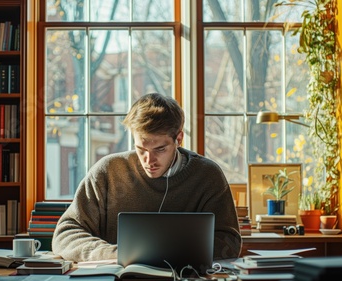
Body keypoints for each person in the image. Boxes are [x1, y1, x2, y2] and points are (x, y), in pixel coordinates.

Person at [52, 93, 241, 263]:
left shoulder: (207, 175)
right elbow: (65, 233)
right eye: (141, 149)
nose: (149, 161)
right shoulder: (108, 171)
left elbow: (230, 242)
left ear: (179, 138)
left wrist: (163, 253)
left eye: (160, 149)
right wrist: (114, 253)